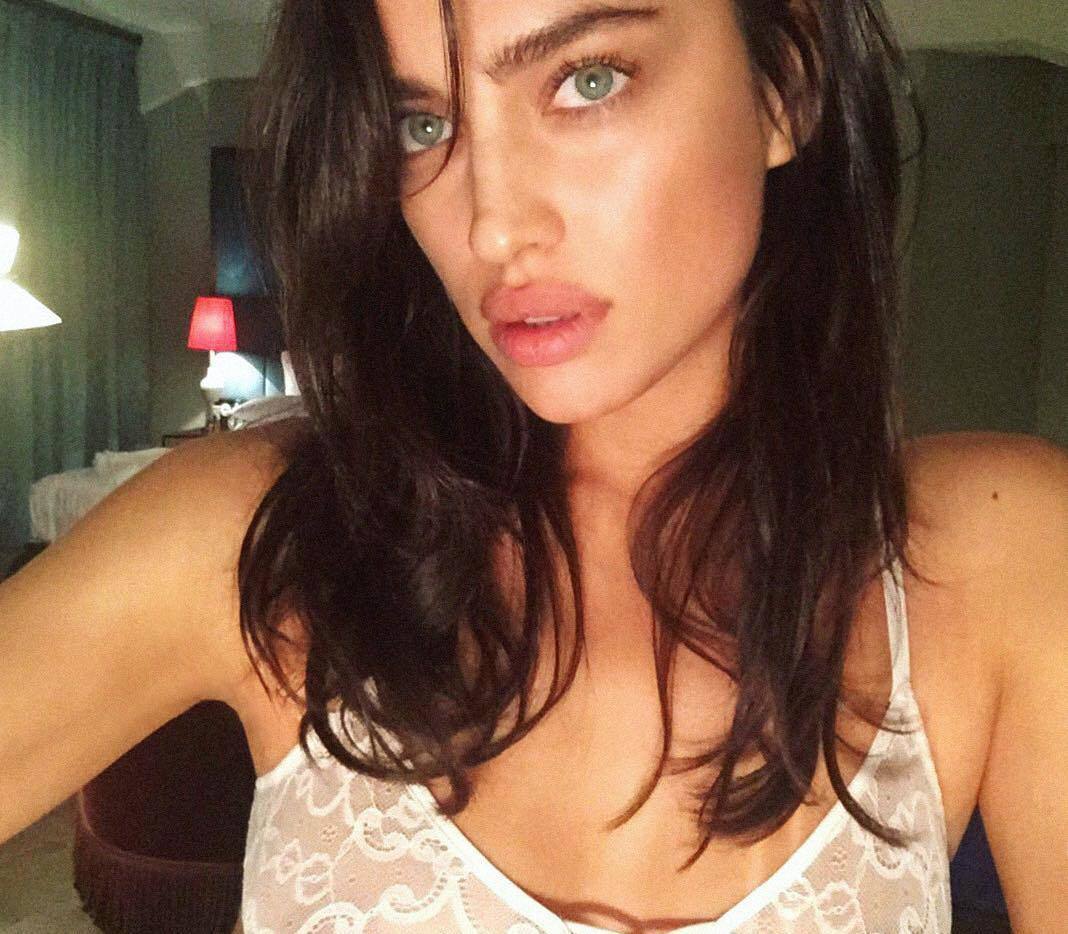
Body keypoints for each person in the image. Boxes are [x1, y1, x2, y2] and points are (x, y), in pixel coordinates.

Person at [1, 0, 1065, 931]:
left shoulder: (1001, 557)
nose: (493, 225)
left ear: (783, 79)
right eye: (422, 125)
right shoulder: (257, 537)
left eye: (587, 80)